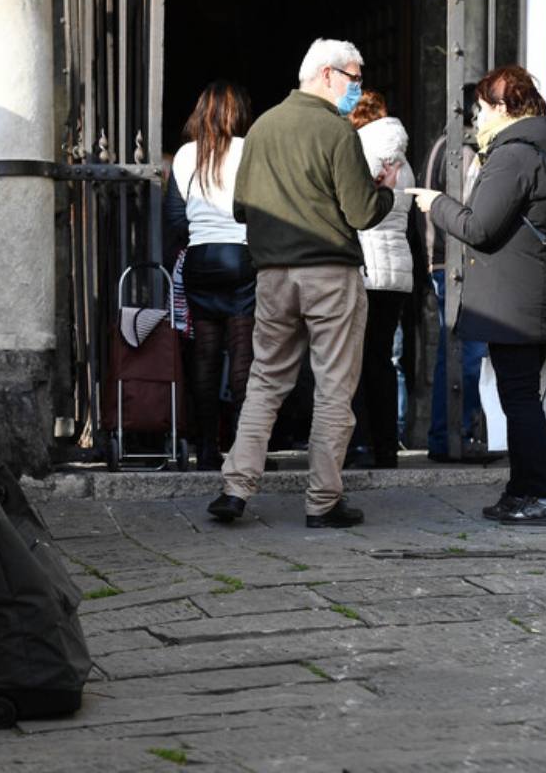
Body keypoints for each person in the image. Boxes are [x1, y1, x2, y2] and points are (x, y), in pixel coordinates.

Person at [207, 38, 399, 528]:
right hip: (329, 274)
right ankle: (322, 500)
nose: (358, 88)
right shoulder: (336, 131)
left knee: (265, 381)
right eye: (355, 78)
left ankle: (235, 489)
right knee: (334, 387)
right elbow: (360, 212)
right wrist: (386, 193)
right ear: (329, 75)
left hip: (273, 274)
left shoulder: (264, 126)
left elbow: (241, 208)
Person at [407, 65, 546, 526]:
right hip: (531, 294)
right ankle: (522, 489)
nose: (476, 118)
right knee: (519, 395)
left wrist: (436, 203)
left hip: (517, 299)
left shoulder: (513, 156)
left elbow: (479, 228)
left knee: (519, 397)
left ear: (503, 108)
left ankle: (543, 495)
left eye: (482, 108)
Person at [164, 81, 256, 470]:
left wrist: (200, 233)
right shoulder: (250, 149)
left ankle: (205, 448)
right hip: (242, 257)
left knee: (203, 353)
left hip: (200, 260)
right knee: (241, 353)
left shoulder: (186, 154)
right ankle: (242, 448)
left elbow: (173, 217)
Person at [416, 83, 489, 461]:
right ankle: (453, 436)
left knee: (452, 351)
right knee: (468, 353)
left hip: (439, 258)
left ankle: (445, 436)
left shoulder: (437, 147)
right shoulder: (463, 152)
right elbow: (469, 215)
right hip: (459, 261)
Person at [345, 90, 415, 469]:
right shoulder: (402, 160)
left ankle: (359, 445)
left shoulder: (360, 151)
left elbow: (355, 208)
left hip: (365, 270)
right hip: (396, 273)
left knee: (355, 361)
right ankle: (386, 447)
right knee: (382, 361)